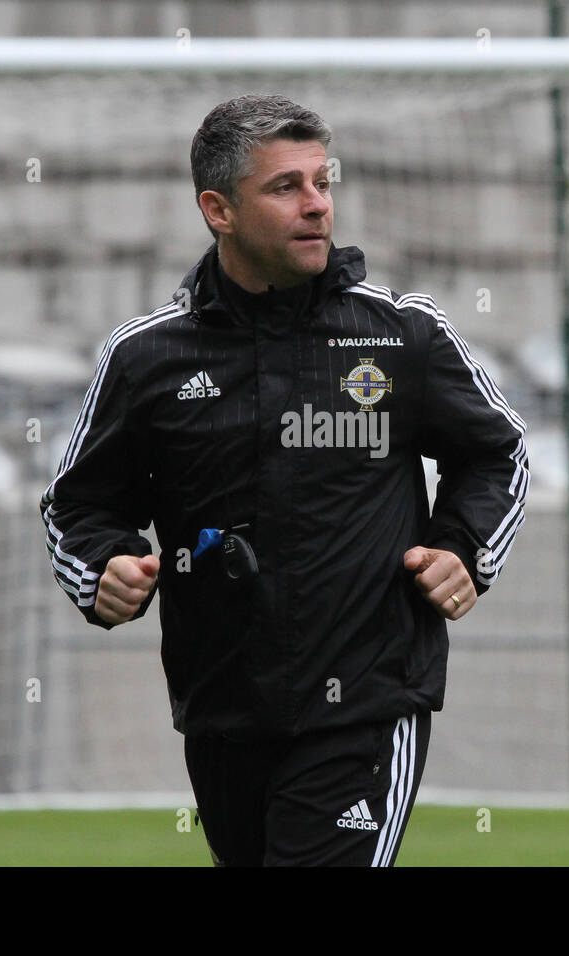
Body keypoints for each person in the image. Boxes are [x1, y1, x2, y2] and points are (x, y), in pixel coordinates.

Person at [40, 93, 528, 866]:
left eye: (322, 183)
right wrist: (102, 567)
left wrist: (464, 549)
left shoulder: (400, 334)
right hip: (223, 713)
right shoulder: (148, 359)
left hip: (365, 706)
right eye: (285, 188)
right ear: (218, 209)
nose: (316, 207)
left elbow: (499, 451)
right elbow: (77, 503)